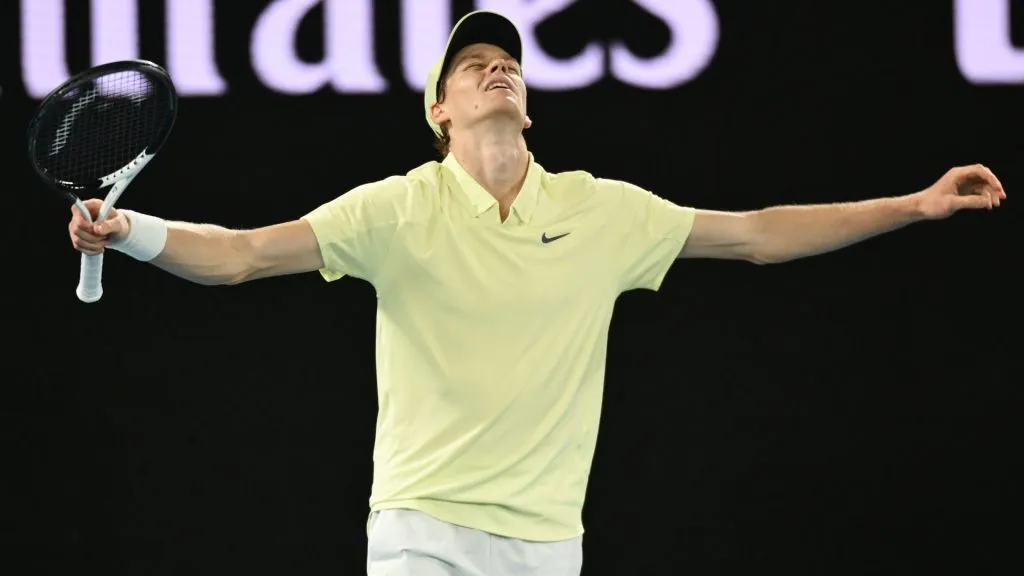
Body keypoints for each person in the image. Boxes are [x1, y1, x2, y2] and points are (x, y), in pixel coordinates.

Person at [67, 10, 1005, 576]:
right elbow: (240, 256)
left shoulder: (600, 210)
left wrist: (915, 206)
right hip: (422, 532)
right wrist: (134, 233)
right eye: (472, 66)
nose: (495, 68)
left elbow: (758, 235)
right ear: (440, 110)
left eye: (505, 61)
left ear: (529, 98)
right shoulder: (396, 208)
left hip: (551, 545)